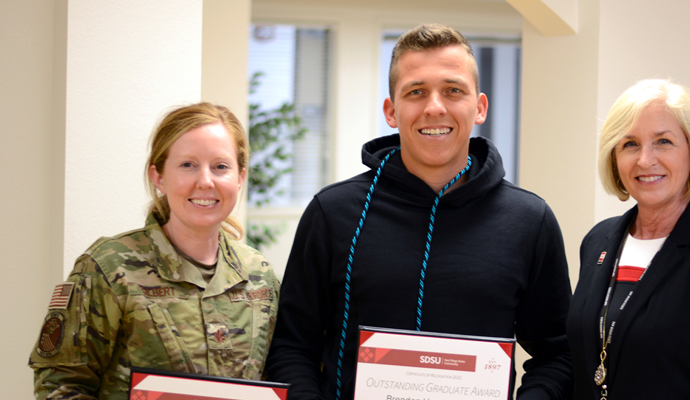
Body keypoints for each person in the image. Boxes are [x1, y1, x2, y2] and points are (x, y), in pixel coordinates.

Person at [265, 24, 573, 400]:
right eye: (416, 92)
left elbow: (557, 355)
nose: (434, 107)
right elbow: (293, 347)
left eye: (453, 90)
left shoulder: (529, 220)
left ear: (479, 107)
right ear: (391, 111)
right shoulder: (332, 213)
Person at [29, 103, 280, 399]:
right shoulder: (109, 267)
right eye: (187, 165)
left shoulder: (259, 275)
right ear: (158, 176)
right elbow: (59, 387)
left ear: (239, 178)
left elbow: (280, 373)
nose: (205, 181)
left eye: (221, 166)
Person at [566, 79, 690, 399]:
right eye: (630, 144)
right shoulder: (597, 241)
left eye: (663, 142)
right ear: (615, 160)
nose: (645, 160)